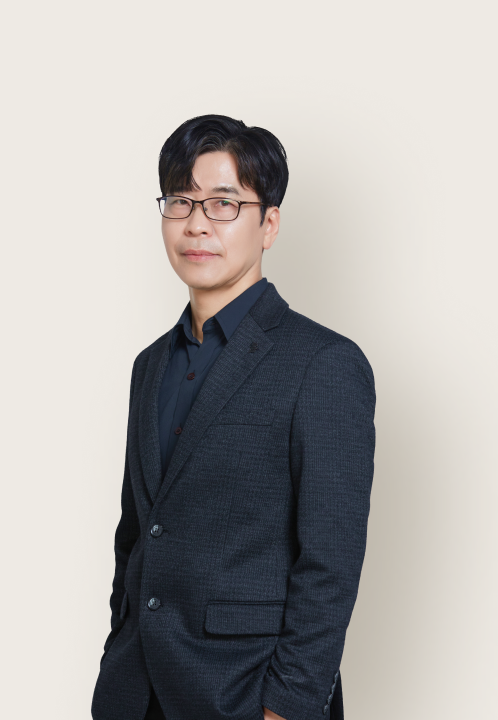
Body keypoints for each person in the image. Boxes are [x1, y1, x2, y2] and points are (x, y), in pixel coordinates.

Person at [91, 114, 376, 720]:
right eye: (180, 201)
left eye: (223, 203)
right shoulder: (149, 365)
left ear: (269, 224)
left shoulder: (323, 363)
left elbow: (330, 564)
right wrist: (118, 650)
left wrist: (286, 707)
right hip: (135, 693)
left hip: (244, 695)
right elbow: (136, 534)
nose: (196, 223)